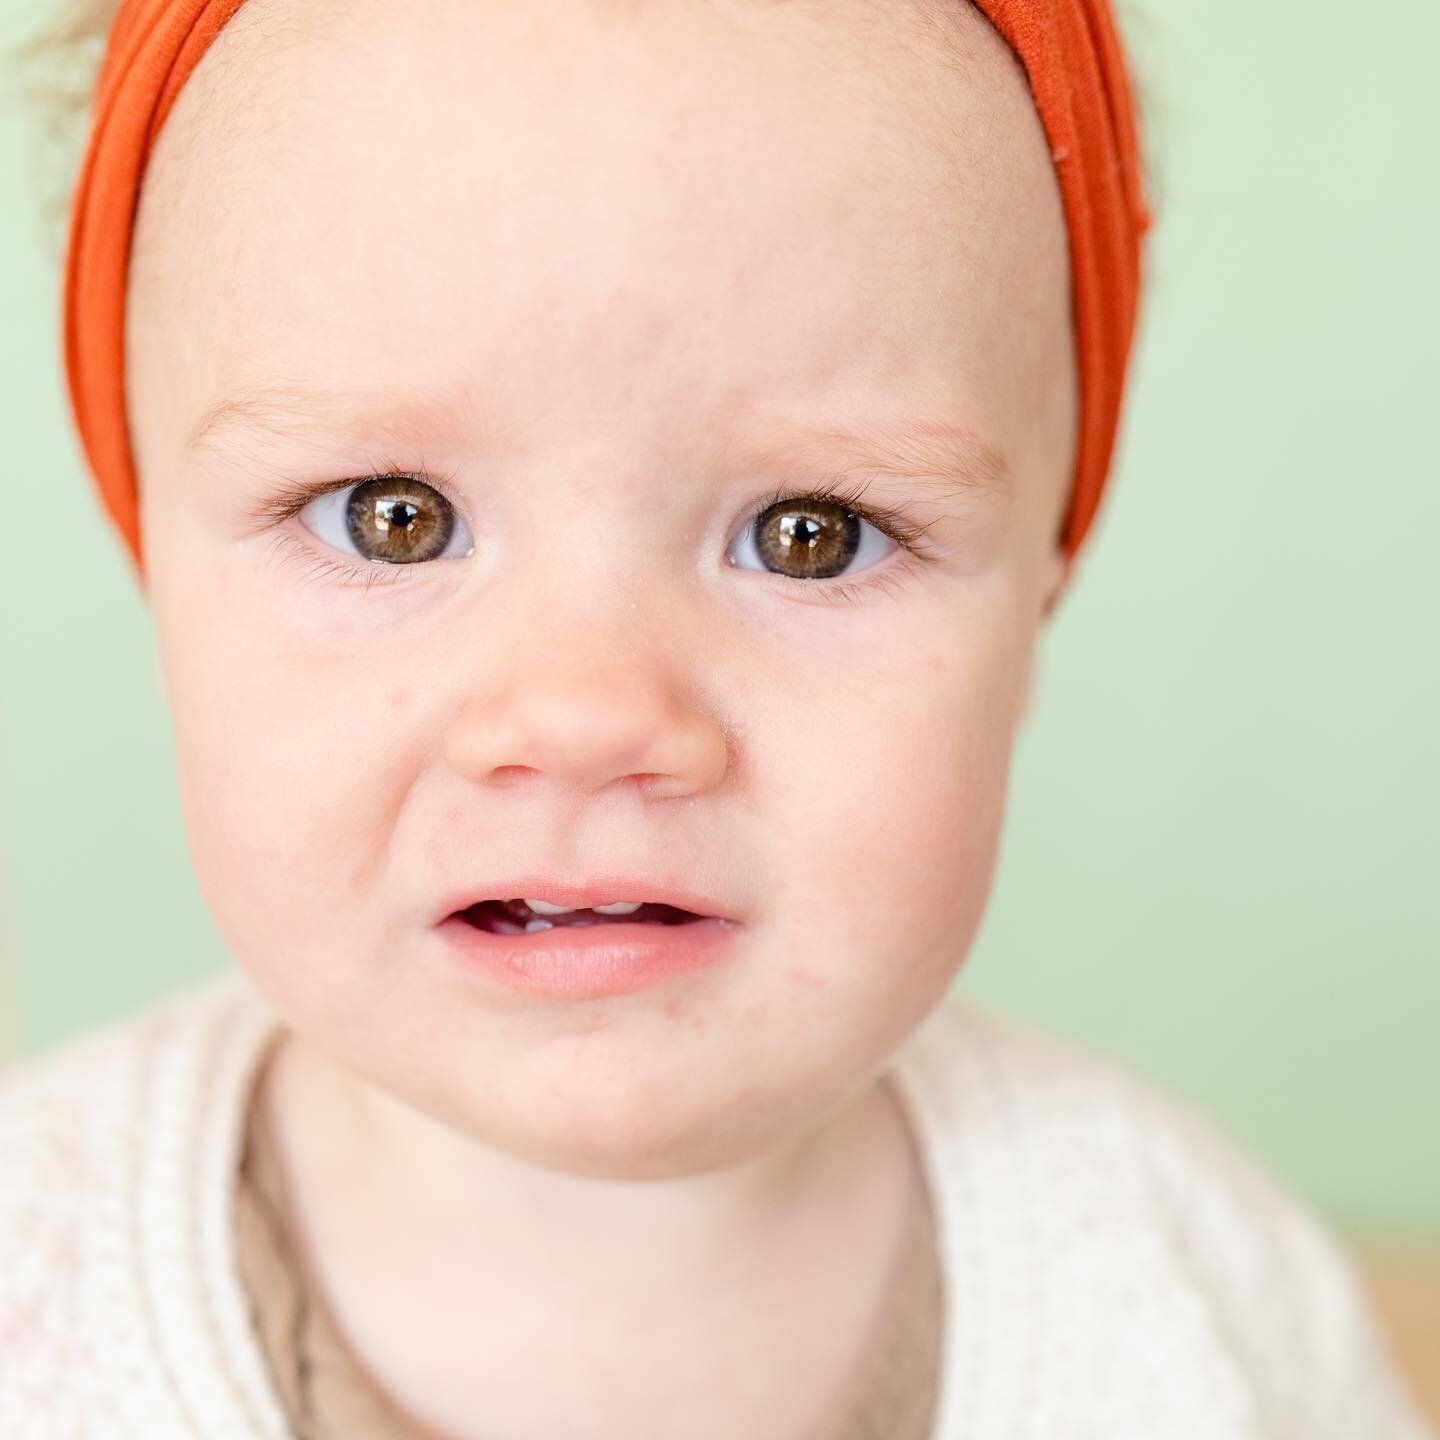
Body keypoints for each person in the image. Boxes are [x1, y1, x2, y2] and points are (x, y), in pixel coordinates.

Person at [1, 0, 1431, 1436]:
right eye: (397, 519)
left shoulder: (1200, 1309)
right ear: (155, 563)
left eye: (811, 533)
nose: (585, 713)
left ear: (1037, 596)